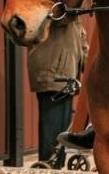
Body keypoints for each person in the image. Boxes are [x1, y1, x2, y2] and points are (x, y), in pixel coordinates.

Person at [27, 16, 86, 165]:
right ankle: (49, 165)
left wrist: (91, 65)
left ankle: (56, 165)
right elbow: (61, 20)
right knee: (53, 129)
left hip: (65, 73)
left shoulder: (71, 14)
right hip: (53, 73)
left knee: (61, 128)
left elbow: (81, 41)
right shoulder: (57, 12)